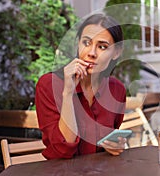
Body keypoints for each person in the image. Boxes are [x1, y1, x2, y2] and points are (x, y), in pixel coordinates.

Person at [35, 13, 127, 159]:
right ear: (78, 44)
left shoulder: (117, 90)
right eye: (86, 43)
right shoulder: (48, 85)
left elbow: (109, 140)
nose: (91, 53)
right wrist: (68, 93)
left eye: (102, 47)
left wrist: (115, 145)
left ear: (116, 52)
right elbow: (63, 150)